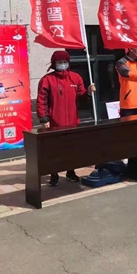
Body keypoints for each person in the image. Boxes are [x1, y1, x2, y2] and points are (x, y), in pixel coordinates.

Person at [36, 51, 96, 186]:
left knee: (71, 148)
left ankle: (70, 171)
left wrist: (88, 92)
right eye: (59, 62)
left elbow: (81, 97)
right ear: (54, 64)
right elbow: (41, 100)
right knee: (54, 149)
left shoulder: (75, 78)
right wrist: (44, 119)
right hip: (54, 121)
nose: (62, 64)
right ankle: (54, 174)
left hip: (72, 121)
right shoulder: (47, 80)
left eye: (64, 62)